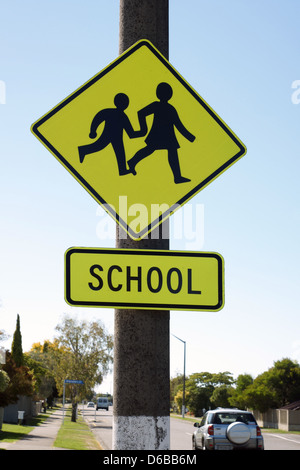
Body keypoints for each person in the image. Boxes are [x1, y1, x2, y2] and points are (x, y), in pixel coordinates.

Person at [127, 82, 195, 183]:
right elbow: (141, 113)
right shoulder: (158, 106)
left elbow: (178, 124)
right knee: (151, 149)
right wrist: (144, 129)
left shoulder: (170, 108)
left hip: (167, 135)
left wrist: (190, 137)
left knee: (169, 151)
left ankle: (177, 177)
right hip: (159, 133)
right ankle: (132, 161)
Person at [78, 93, 143, 175]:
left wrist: (142, 132)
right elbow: (98, 117)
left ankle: (122, 169)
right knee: (99, 146)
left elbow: (131, 133)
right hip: (109, 134)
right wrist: (93, 131)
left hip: (117, 138)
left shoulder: (122, 115)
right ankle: (83, 150)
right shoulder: (114, 113)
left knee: (119, 152)